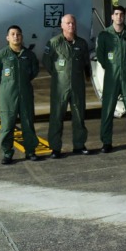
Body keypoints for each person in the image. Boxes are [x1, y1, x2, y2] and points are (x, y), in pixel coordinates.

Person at [96, 6, 126, 152]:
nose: (119, 17)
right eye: (116, 14)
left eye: (121, 15)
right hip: (112, 76)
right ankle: (106, 142)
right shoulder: (105, 35)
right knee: (108, 109)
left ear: (124, 17)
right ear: (112, 17)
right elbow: (101, 56)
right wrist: (112, 68)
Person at [42, 14, 91, 159]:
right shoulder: (54, 43)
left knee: (79, 116)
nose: (71, 26)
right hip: (60, 87)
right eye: (68, 23)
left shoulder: (81, 43)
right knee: (56, 117)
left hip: (77, 86)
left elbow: (85, 62)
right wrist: (58, 75)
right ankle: (55, 148)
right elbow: (46, 61)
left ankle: (79, 145)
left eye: (73, 23)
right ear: (62, 26)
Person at [0, 25, 40, 164]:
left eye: (18, 34)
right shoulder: (1, 55)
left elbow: (34, 71)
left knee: (28, 124)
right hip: (7, 96)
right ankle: (7, 153)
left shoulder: (29, 55)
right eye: (12, 34)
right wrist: (7, 85)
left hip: (25, 94)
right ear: (7, 38)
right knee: (7, 126)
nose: (16, 36)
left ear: (22, 37)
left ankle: (31, 152)